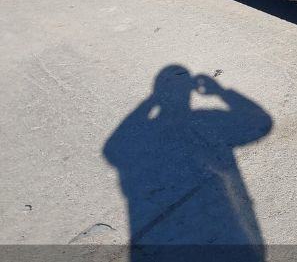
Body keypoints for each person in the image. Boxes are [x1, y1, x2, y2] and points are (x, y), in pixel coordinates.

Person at [103, 65, 272, 261]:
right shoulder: (205, 120)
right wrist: (220, 92)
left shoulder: (148, 132)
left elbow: (112, 148)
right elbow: (261, 123)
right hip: (223, 229)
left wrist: (151, 101)